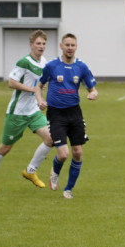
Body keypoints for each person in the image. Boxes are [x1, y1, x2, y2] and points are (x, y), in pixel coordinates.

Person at [0, 29, 55, 193]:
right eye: (38, 43)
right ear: (31, 45)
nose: (41, 46)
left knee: (51, 138)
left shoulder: (44, 62)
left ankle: (30, 171)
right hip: (17, 113)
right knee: (5, 148)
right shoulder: (24, 62)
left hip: (34, 111)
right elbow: (12, 82)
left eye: (43, 43)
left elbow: (42, 84)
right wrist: (33, 89)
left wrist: (41, 98)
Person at [35, 33, 98, 199]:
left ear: (76, 47)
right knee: (63, 154)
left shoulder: (82, 67)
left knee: (77, 152)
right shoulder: (52, 66)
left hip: (74, 113)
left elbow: (92, 88)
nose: (70, 48)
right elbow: (39, 85)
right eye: (67, 45)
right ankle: (55, 172)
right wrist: (40, 100)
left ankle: (68, 189)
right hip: (56, 114)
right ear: (61, 46)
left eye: (73, 45)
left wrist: (93, 93)